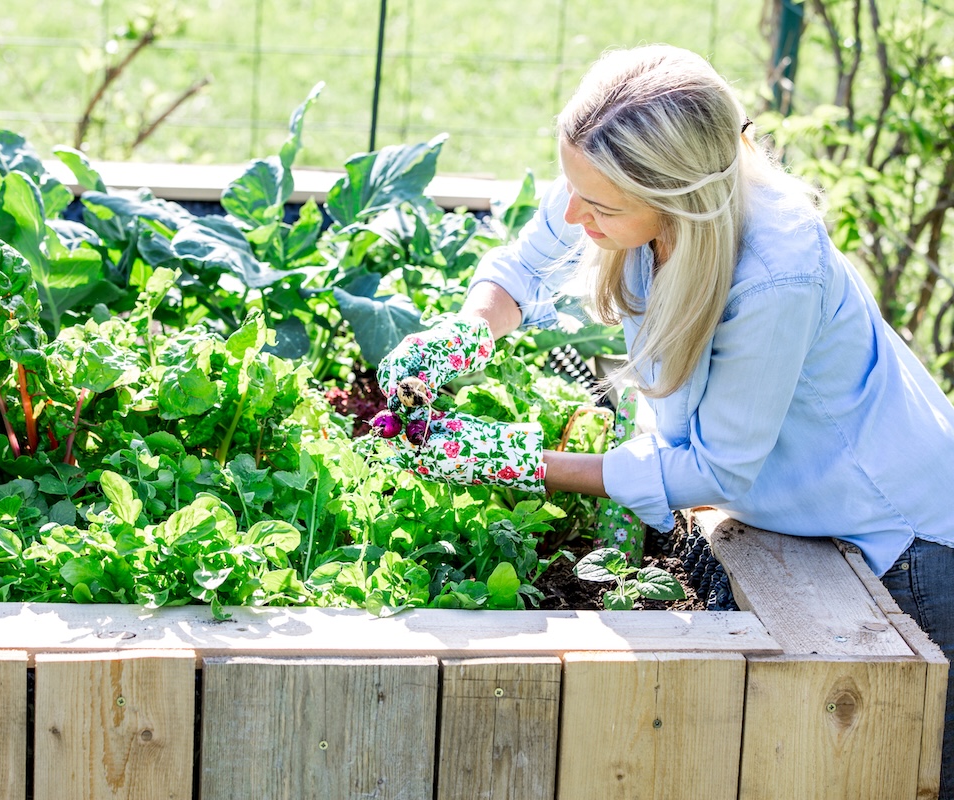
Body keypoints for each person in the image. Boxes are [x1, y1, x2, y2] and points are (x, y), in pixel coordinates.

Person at [375, 44, 954, 796]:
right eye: (575, 188)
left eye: (602, 207)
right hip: (800, 514)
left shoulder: (775, 272)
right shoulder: (614, 180)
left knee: (900, 777)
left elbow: (715, 470)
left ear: (680, 198)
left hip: (896, 541)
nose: (576, 213)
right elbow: (524, 265)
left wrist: (521, 463)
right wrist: (465, 334)